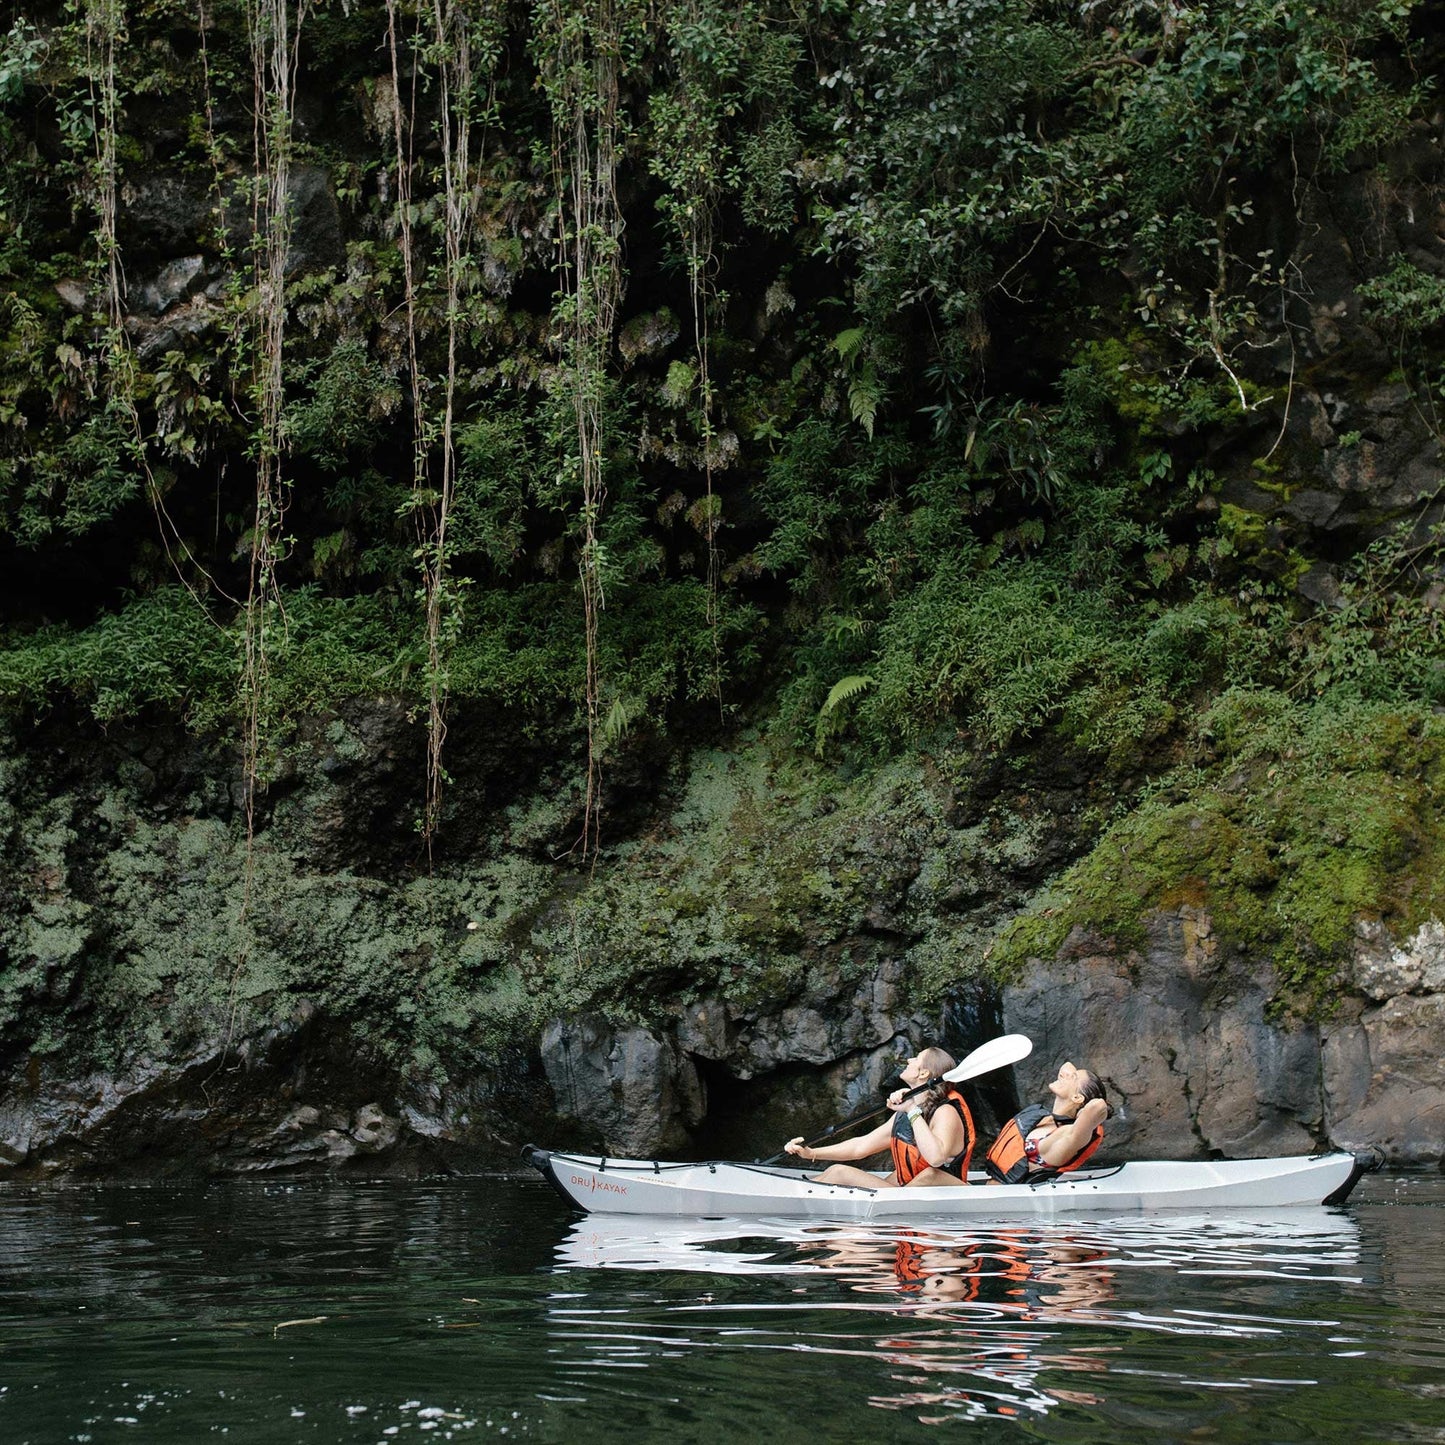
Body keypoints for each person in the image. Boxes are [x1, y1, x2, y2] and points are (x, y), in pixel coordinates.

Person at [783, 1046, 975, 1188]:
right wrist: (812, 1153)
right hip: (912, 1193)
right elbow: (860, 1147)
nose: (909, 1060)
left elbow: (935, 1159)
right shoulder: (909, 1111)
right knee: (834, 1171)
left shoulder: (945, 1112)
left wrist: (911, 1110)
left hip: (944, 1193)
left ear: (924, 1072)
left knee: (839, 1172)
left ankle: (798, 1194)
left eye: (916, 1058)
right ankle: (796, 1193)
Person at [984, 1060, 1109, 1184]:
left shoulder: (1068, 1135)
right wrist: (1072, 1077)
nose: (1063, 1074)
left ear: (1077, 1098)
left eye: (1073, 1077)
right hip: (991, 1193)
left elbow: (1098, 1106)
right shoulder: (1044, 1119)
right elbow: (1067, 1065)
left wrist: (1083, 1112)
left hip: (1009, 1200)